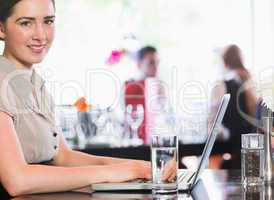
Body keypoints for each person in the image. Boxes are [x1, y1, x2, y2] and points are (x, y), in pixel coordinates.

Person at [0, 0, 177, 197]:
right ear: (1, 28)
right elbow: (17, 180)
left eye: (48, 21)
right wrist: (118, 172)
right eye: (26, 23)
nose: (41, 35)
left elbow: (62, 156)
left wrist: (139, 167)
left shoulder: (36, 85)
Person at [208, 44, 257, 169]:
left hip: (233, 152)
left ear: (224, 62)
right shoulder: (252, 83)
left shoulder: (221, 85)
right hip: (253, 155)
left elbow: (211, 125)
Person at [124, 46, 165, 144]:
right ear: (139, 64)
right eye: (151, 62)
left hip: (156, 142)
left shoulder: (160, 87)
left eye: (157, 62)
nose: (156, 67)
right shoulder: (129, 87)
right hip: (134, 145)